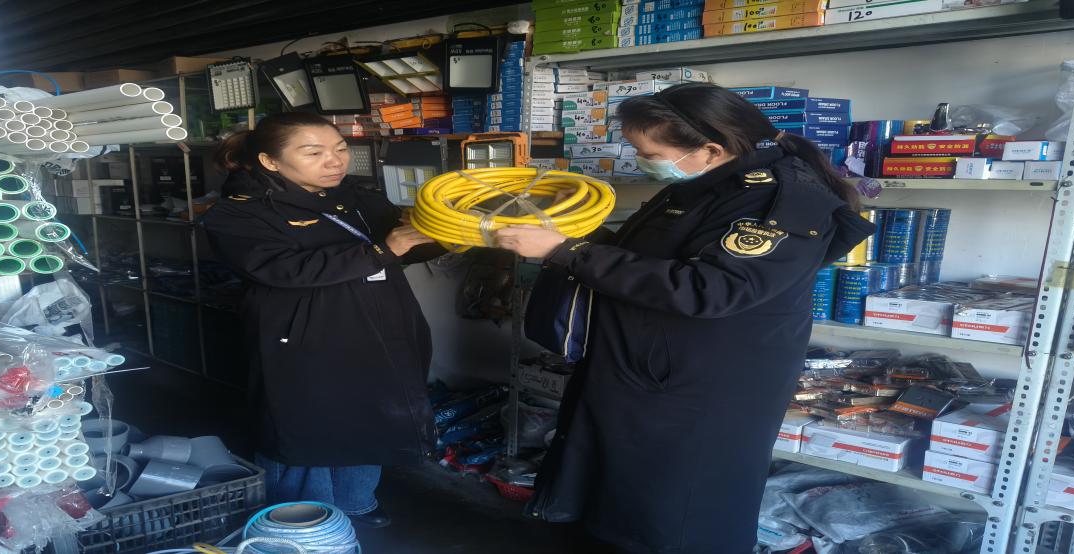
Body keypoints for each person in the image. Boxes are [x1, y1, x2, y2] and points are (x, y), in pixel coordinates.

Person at [493, 82, 876, 553]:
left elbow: (710, 287)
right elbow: (650, 256)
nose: (641, 160)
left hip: (701, 391)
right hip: (647, 370)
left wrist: (566, 252)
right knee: (620, 501)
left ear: (710, 149)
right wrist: (570, 236)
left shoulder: (783, 202)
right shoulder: (705, 185)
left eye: (649, 153)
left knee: (678, 514)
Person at [200, 112, 443, 528]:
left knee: (370, 413)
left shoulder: (357, 197)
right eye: (314, 153)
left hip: (377, 324)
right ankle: (305, 518)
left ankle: (356, 499)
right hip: (304, 336)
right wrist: (382, 250)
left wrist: (451, 237)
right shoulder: (238, 214)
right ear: (270, 161)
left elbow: (402, 246)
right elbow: (284, 269)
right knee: (307, 424)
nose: (334, 161)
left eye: (340, 149)